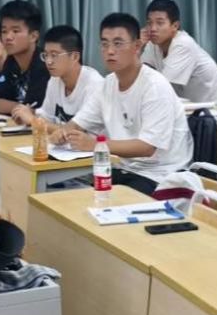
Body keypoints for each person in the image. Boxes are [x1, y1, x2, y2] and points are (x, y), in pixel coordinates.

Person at [57, 13, 193, 196]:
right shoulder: (108, 83)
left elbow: (147, 147)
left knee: (101, 203)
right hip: (125, 169)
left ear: (137, 46)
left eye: (118, 43)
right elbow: (78, 123)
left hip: (161, 176)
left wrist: (94, 144)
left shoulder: (155, 86)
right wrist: (63, 132)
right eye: (104, 44)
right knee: (71, 196)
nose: (110, 51)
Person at [142, 0, 217, 106]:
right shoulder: (153, 44)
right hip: (190, 107)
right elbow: (141, 76)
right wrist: (137, 48)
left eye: (159, 23)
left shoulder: (183, 44)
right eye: (149, 23)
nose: (152, 28)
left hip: (216, 108)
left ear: (175, 26)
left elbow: (161, 87)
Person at [10, 25, 101, 126]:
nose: (48, 61)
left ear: (75, 57)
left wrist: (33, 121)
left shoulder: (94, 85)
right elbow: (46, 118)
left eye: (54, 55)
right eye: (46, 55)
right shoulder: (55, 80)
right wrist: (27, 115)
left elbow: (73, 132)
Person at [0, 0, 49, 114]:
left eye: (15, 31)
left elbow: (36, 111)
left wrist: (12, 107)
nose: (8, 37)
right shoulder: (11, 61)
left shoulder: (45, 64)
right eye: (4, 31)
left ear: (33, 36)